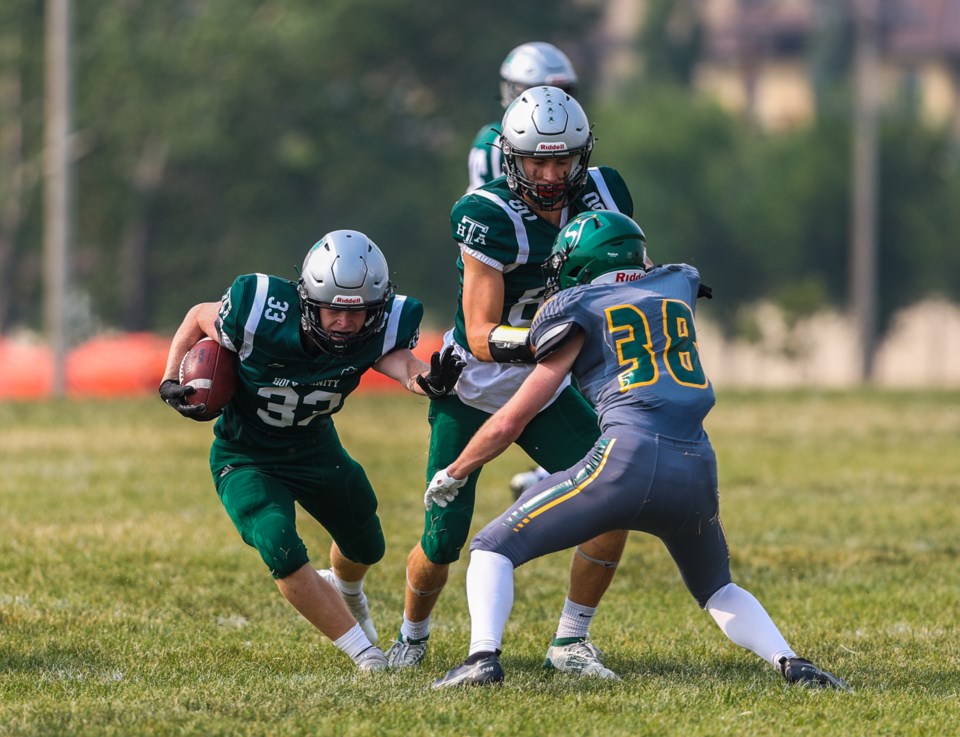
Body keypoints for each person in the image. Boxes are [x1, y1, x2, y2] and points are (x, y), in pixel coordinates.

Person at [427, 211, 847, 690]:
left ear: (578, 266)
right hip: (696, 466)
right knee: (717, 587)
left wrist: (456, 471)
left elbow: (510, 419)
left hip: (624, 460)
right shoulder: (676, 285)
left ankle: (482, 658)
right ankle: (790, 663)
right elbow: (650, 270)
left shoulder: (576, 306)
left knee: (490, 548)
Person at [385, 86, 631, 678]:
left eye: (562, 160)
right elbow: (478, 334)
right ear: (511, 159)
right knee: (442, 541)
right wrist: (553, 341)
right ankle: (411, 636)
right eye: (536, 161)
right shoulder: (486, 214)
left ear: (583, 156)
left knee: (614, 501)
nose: (549, 175)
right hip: (473, 385)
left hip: (548, 387)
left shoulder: (605, 193)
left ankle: (571, 641)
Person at [158, 230, 464, 673]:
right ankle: (366, 655)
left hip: (315, 446)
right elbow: (197, 315)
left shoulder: (381, 326)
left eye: (358, 313)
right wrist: (170, 378)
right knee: (279, 542)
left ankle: (347, 592)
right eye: (333, 311)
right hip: (246, 455)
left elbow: (397, 361)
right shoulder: (260, 309)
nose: (344, 323)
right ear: (307, 300)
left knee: (367, 545)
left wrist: (425, 380)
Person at [466, 41, 579, 500]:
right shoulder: (496, 144)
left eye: (564, 91)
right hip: (512, 264)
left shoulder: (573, 140)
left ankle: (554, 465)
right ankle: (547, 467)